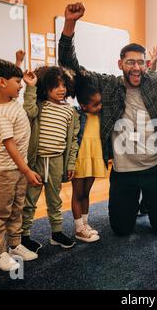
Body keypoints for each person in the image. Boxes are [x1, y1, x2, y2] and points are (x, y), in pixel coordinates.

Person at [59, 2, 157, 236]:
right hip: (124, 171)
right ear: (120, 64)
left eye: (141, 62)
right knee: (121, 229)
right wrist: (69, 24)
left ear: (146, 64)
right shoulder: (108, 85)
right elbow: (70, 68)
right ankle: (133, 204)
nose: (136, 67)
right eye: (130, 62)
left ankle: (149, 202)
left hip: (156, 168)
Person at [0, 58, 41, 271]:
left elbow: (5, 77)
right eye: (18, 81)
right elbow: (9, 144)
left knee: (17, 209)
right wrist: (26, 170)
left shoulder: (11, 101)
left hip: (17, 168)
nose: (21, 85)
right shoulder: (0, 112)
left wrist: (18, 63)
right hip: (4, 171)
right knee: (0, 212)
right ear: (1, 83)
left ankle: (15, 245)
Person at [21, 65, 79, 252]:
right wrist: (30, 87)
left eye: (64, 85)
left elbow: (73, 141)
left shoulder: (70, 112)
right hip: (36, 161)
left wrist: (70, 163)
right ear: (45, 87)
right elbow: (28, 110)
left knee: (55, 200)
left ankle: (56, 233)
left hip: (56, 162)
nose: (61, 89)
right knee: (29, 201)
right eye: (56, 85)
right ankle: (24, 236)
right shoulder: (39, 106)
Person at [71, 70, 106, 242]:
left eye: (100, 103)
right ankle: (79, 229)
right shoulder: (77, 116)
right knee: (77, 194)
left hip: (94, 157)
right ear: (84, 106)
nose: (100, 107)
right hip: (79, 159)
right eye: (95, 105)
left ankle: (85, 224)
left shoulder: (100, 116)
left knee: (86, 193)